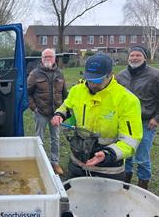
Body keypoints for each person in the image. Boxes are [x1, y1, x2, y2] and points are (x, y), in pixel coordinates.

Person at [51, 54, 143, 181]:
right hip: (77, 163)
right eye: (89, 79)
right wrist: (59, 114)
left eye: (97, 80)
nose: (92, 84)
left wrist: (108, 154)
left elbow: (130, 140)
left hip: (108, 168)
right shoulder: (77, 90)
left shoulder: (127, 100)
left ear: (110, 75)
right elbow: (67, 106)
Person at [116, 46, 159, 190]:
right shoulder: (121, 76)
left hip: (146, 122)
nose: (134, 58)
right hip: (126, 123)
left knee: (142, 158)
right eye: (132, 55)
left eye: (138, 55)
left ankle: (143, 188)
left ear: (144, 57)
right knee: (126, 155)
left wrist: (156, 118)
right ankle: (125, 185)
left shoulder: (155, 75)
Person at [27, 48, 68, 175]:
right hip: (41, 113)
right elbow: (27, 93)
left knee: (55, 138)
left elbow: (64, 93)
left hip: (56, 113)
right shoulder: (34, 74)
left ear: (55, 58)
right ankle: (40, 162)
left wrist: (63, 111)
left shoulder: (60, 73)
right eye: (45, 57)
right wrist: (34, 108)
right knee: (39, 138)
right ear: (41, 59)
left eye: (50, 56)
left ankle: (54, 162)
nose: (48, 59)